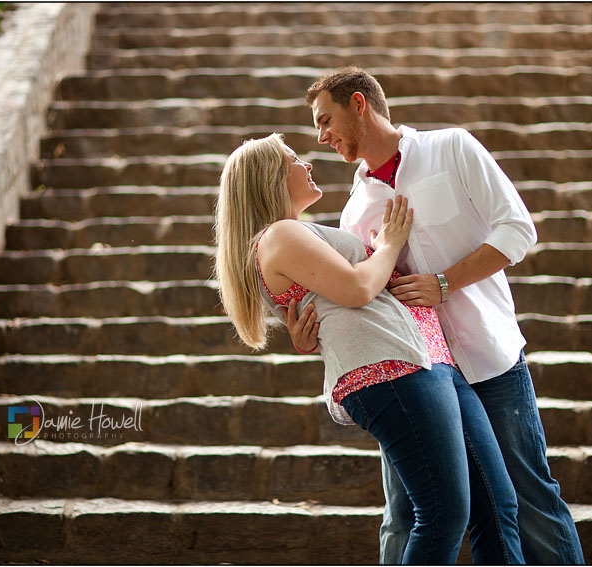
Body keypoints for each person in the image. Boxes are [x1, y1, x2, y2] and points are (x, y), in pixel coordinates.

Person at [290, 66, 585, 564]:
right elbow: (359, 294)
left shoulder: (453, 148)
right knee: (403, 515)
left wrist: (444, 283)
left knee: (528, 495)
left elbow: (517, 230)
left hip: (490, 359)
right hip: (415, 375)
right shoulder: (355, 210)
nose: (322, 137)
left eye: (325, 120)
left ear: (359, 104)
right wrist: (310, 337)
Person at [214, 133, 524, 564]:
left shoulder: (297, 234)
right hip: (391, 371)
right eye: (293, 159)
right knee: (444, 512)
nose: (307, 164)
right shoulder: (280, 235)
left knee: (496, 505)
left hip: (431, 360)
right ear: (269, 176)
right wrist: (391, 244)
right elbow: (359, 288)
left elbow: (331, 300)